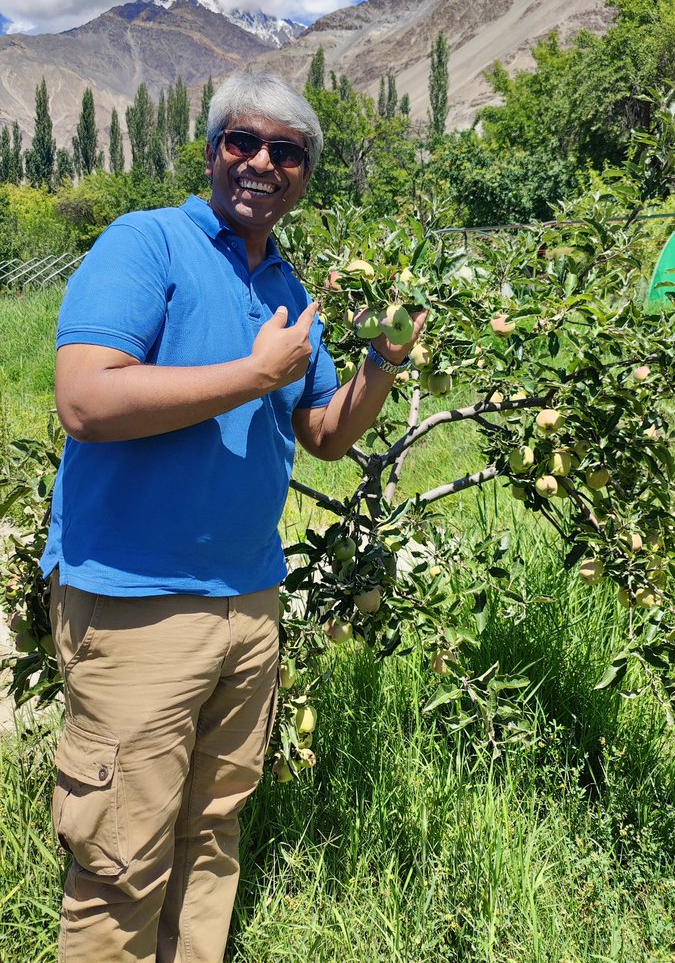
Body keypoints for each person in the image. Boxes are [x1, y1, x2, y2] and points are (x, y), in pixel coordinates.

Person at [41, 71, 424, 963]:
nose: (260, 163)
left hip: (248, 599)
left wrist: (382, 361)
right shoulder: (149, 244)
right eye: (241, 142)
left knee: (212, 833)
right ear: (211, 151)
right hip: (137, 602)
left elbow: (326, 435)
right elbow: (86, 400)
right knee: (119, 853)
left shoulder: (290, 287)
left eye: (285, 153)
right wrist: (257, 372)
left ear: (303, 175)